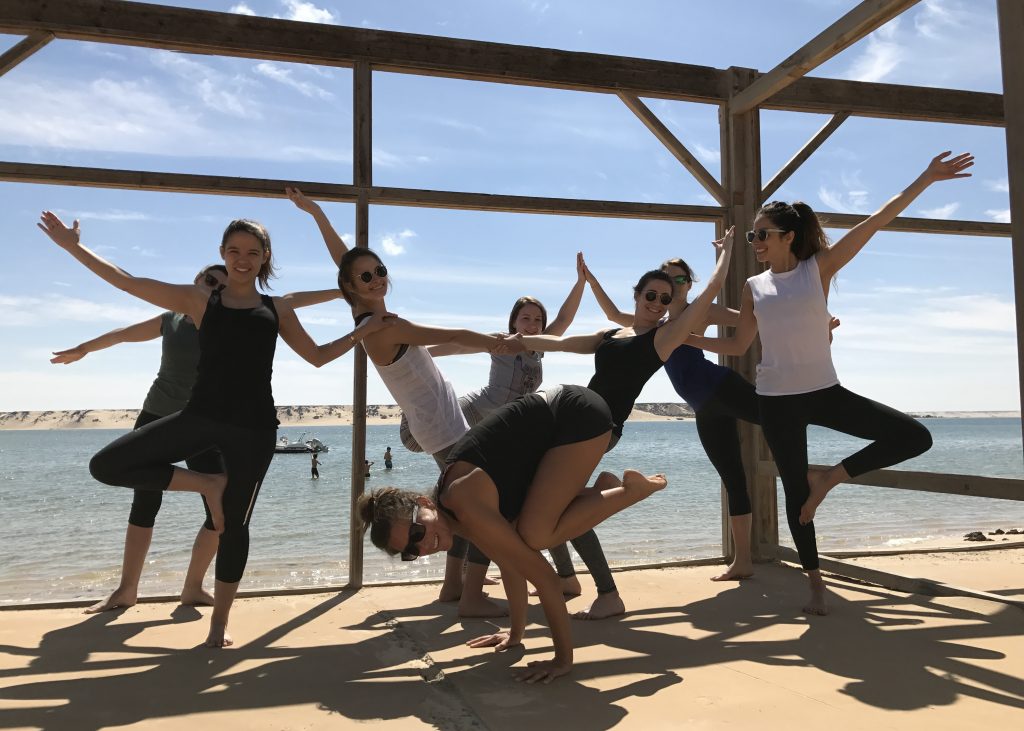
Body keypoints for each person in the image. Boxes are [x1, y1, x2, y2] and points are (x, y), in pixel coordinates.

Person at [38, 211, 394, 646]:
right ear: (223, 254)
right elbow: (127, 281)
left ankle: (219, 624)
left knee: (235, 526)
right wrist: (74, 248)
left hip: (253, 430)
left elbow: (317, 357)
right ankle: (207, 483)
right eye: (234, 251)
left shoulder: (277, 309)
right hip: (198, 418)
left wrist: (363, 330)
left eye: (252, 252)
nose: (243, 259)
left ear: (265, 258)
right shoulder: (198, 301)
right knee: (107, 465)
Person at [686, 151, 972, 614]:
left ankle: (831, 477)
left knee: (914, 436)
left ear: (788, 237)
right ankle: (816, 584)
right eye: (754, 236)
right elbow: (739, 345)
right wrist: (688, 338)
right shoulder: (754, 286)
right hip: (776, 400)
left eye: (762, 234)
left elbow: (876, 221)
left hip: (824, 392)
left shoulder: (816, 269)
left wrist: (926, 177)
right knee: (795, 496)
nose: (756, 242)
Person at [52, 267, 345, 612]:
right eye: (210, 280)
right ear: (195, 282)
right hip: (157, 414)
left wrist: (340, 292)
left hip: (204, 423)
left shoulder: (225, 317)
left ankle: (193, 587)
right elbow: (123, 335)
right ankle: (126, 589)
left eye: (222, 285)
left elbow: (290, 301)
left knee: (218, 513)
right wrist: (84, 348)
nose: (215, 287)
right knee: (144, 503)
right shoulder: (171, 319)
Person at [289, 186, 515, 618]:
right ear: (350, 287)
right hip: (443, 431)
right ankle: (469, 595)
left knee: (460, 507)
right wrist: (495, 343)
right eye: (366, 277)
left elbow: (345, 259)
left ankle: (454, 587)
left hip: (440, 426)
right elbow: (452, 334)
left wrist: (316, 213)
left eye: (380, 270)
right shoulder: (382, 327)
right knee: (479, 511)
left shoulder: (371, 316)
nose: (376, 279)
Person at [358, 384, 667, 684]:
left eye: (416, 532)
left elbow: (545, 579)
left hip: (575, 413)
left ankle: (630, 492)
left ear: (424, 503)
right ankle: (601, 493)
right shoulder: (456, 516)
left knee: (536, 535)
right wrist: (516, 634)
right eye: (411, 552)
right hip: (559, 425)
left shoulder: (463, 500)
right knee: (526, 536)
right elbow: (509, 565)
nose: (423, 546)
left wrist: (562, 660)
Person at [517, 229, 735, 618]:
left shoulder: (664, 337)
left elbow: (711, 291)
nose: (657, 303)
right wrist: (517, 341)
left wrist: (726, 253)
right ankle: (571, 577)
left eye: (665, 299)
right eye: (651, 295)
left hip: (601, 429)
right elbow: (562, 343)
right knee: (555, 502)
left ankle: (606, 590)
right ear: (637, 295)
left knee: (556, 503)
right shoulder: (611, 333)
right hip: (574, 424)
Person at [584, 255, 839, 581]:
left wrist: (818, 326)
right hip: (703, 408)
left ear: (689, 285)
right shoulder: (658, 325)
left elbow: (760, 317)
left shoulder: (702, 311)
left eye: (680, 279)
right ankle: (742, 561)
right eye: (666, 277)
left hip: (723, 388)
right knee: (733, 479)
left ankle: (814, 472)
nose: (673, 284)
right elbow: (613, 315)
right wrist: (591, 281)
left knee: (786, 416)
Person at [401, 254, 589, 596]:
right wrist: (418, 354)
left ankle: (463, 578)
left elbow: (564, 319)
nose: (532, 324)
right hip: (469, 416)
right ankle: (463, 580)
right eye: (525, 318)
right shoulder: (501, 342)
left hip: (497, 431)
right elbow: (459, 345)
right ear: (513, 321)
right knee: (467, 500)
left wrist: (580, 283)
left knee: (467, 502)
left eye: (537, 320)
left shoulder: (539, 348)